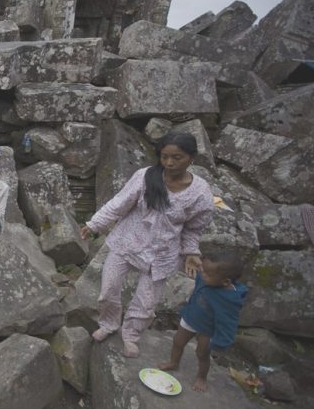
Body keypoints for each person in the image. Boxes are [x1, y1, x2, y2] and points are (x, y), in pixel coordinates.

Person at [79, 131, 214, 358]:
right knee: (108, 289)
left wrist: (191, 252)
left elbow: (193, 228)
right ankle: (109, 324)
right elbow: (119, 203)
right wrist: (95, 224)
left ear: (191, 157)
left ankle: (131, 335)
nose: (169, 163)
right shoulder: (145, 177)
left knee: (146, 302)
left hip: (163, 253)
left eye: (177, 157)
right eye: (164, 157)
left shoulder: (201, 193)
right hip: (127, 242)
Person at [158, 251, 247, 392]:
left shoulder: (229, 299)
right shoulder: (205, 277)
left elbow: (228, 323)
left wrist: (221, 343)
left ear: (226, 281)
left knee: (202, 353)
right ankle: (174, 363)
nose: (202, 274)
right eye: (203, 270)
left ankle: (202, 377)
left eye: (207, 273)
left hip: (208, 328)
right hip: (191, 316)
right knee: (178, 341)